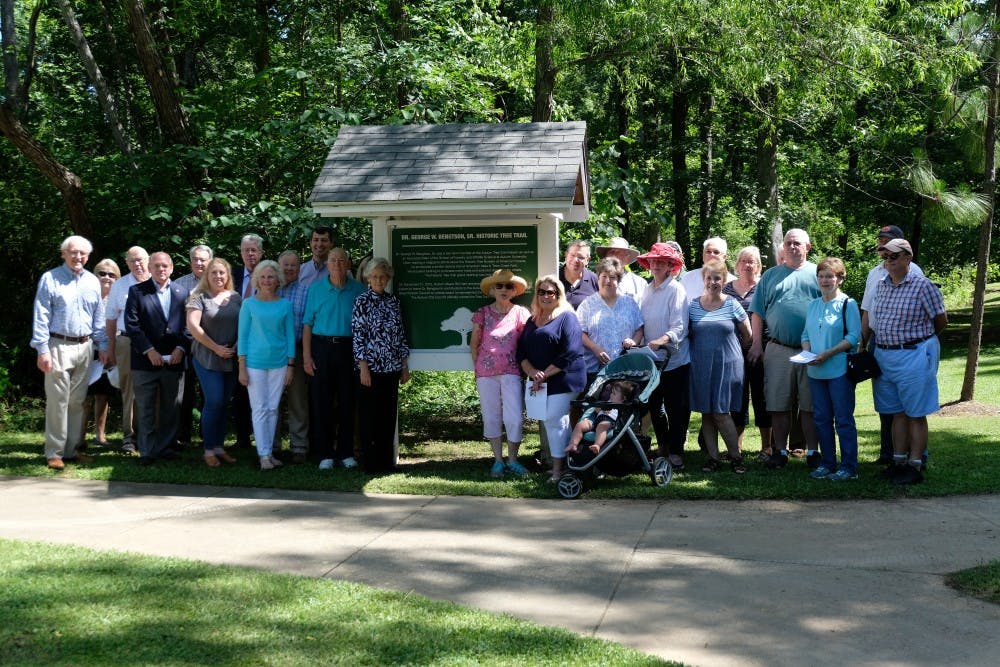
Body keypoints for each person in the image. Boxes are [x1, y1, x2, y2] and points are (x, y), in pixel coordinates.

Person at [866, 238, 947, 486]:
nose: (887, 262)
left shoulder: (924, 287)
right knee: (896, 413)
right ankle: (897, 461)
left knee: (915, 413)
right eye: (885, 258)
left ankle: (915, 465)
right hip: (884, 355)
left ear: (907, 258)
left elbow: (941, 320)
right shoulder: (880, 285)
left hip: (914, 355)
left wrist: (922, 343)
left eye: (893, 257)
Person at [31, 235, 109, 470]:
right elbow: (41, 315)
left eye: (83, 253)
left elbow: (98, 316)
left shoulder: (92, 282)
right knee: (58, 400)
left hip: (85, 346)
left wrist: (102, 345)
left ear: (88, 256)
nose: (78, 257)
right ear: (63, 253)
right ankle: (54, 452)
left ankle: (72, 450)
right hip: (57, 345)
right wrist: (42, 349)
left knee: (77, 400)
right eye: (73, 252)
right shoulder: (50, 278)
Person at [747, 228, 821, 470]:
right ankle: (779, 451)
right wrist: (757, 344)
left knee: (810, 405)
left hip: (811, 351)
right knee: (778, 404)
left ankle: (813, 451)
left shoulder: (819, 274)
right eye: (788, 242)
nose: (792, 247)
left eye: (797, 243)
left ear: (807, 247)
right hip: (778, 349)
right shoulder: (770, 276)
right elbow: (757, 312)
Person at [860, 224, 925, 464]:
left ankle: (916, 456)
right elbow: (867, 310)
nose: (882, 247)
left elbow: (935, 317)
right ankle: (889, 454)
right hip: (879, 342)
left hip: (908, 345)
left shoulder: (915, 272)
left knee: (910, 404)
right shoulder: (874, 273)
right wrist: (863, 342)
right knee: (887, 404)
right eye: (880, 242)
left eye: (887, 242)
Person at [517, 276, 587, 482]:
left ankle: (559, 471)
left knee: (554, 418)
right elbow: (520, 352)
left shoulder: (567, 317)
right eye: (542, 292)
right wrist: (532, 373)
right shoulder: (532, 320)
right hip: (540, 380)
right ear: (536, 295)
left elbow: (571, 351)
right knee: (553, 420)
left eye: (551, 292)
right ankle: (564, 464)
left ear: (558, 295)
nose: (546, 296)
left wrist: (543, 374)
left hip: (565, 378)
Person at [124, 252, 190, 466]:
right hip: (144, 361)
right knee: (146, 408)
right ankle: (147, 451)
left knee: (171, 407)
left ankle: (165, 448)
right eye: (156, 266)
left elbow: (190, 326)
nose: (161, 270)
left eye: (165, 266)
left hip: (175, 361)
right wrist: (149, 350)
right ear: (149, 268)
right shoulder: (136, 291)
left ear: (171, 268)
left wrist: (181, 347)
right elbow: (132, 326)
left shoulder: (182, 292)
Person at [303, 247, 365, 470]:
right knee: (322, 403)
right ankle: (325, 454)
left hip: (350, 349)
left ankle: (346, 452)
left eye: (341, 260)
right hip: (322, 348)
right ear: (327, 264)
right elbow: (307, 324)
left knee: (348, 402)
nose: (337, 264)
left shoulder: (358, 290)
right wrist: (307, 357)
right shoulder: (316, 289)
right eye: (333, 260)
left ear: (348, 264)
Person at [800, 257, 862, 481]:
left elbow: (854, 337)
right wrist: (807, 353)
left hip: (839, 370)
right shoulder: (813, 304)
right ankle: (827, 463)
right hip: (815, 372)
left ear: (840, 279)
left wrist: (828, 353)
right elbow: (806, 334)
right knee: (821, 419)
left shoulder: (848, 304)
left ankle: (849, 467)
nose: (825, 280)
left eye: (830, 276)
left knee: (843, 420)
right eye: (821, 276)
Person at [688, 259, 751, 474]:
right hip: (701, 365)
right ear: (703, 280)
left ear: (723, 280)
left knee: (722, 413)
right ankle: (713, 458)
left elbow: (748, 334)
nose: (713, 282)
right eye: (709, 278)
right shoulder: (693, 306)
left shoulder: (732, 304)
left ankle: (736, 457)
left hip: (728, 364)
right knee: (706, 412)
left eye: (717, 278)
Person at [470, 269, 532, 478]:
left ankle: (513, 460)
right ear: (492, 290)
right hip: (485, 373)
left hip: (513, 371)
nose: (504, 290)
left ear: (514, 291)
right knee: (491, 416)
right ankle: (497, 461)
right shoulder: (482, 313)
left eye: (508, 286)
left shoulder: (521, 313)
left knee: (514, 417)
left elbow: (527, 343)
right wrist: (478, 367)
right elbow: (474, 344)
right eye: (499, 286)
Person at [352, 258, 411, 473]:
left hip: (392, 368)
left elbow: (400, 335)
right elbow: (358, 336)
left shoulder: (393, 301)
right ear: (368, 277)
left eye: (382, 276)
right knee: (369, 417)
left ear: (387, 278)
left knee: (388, 416)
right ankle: (370, 462)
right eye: (375, 276)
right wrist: (363, 367)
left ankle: (386, 462)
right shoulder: (361, 302)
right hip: (370, 369)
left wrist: (404, 365)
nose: (378, 280)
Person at [636, 242, 690, 470]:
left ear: (670, 265)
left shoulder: (676, 290)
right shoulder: (646, 290)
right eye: (653, 261)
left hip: (674, 360)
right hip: (651, 361)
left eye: (661, 261)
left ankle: (677, 451)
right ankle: (664, 445)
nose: (656, 264)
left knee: (675, 408)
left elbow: (680, 327)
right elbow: (642, 323)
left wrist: (662, 340)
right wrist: (637, 340)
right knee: (654, 406)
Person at [238, 260, 295, 471]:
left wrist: (291, 365)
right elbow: (242, 337)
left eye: (270, 276)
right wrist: (241, 366)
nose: (267, 281)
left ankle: (269, 453)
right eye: (262, 277)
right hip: (254, 363)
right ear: (257, 280)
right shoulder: (249, 304)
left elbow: (290, 336)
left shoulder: (285, 305)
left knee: (273, 409)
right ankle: (263, 455)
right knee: (259, 409)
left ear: (277, 279)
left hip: (279, 363)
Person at [186, 258, 241, 468]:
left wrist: (234, 347)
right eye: (214, 273)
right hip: (206, 356)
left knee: (224, 403)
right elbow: (193, 327)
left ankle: (219, 447)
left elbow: (244, 325)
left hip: (231, 356)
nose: (218, 276)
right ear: (206, 276)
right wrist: (216, 348)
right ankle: (208, 449)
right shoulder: (198, 297)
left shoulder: (235, 298)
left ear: (227, 276)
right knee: (214, 401)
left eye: (222, 273)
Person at [723, 246, 771, 456]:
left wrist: (756, 344)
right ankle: (737, 446)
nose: (747, 265)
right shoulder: (726, 289)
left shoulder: (764, 287)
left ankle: (766, 446)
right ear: (737, 264)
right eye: (743, 261)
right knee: (737, 399)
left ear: (759, 265)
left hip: (760, 351)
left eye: (752, 261)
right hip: (733, 352)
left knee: (761, 396)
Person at [104, 246, 150, 454]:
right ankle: (129, 437)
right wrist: (111, 349)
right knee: (129, 391)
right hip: (126, 342)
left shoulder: (158, 282)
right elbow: (111, 320)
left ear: (148, 260)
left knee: (153, 389)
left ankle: (148, 434)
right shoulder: (120, 286)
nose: (137, 264)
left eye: (140, 259)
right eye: (132, 261)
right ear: (127, 264)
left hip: (154, 343)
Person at [577, 257, 642, 382]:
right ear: (598, 278)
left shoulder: (629, 302)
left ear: (618, 280)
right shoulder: (587, 305)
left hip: (625, 369)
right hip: (595, 370)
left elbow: (640, 329)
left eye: (612, 277)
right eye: (604, 276)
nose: (608, 281)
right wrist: (595, 348)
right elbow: (580, 333)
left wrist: (633, 341)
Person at [175, 244, 213, 448]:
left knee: (209, 393)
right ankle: (183, 436)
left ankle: (208, 436)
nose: (199, 263)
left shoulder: (218, 283)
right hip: (186, 346)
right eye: (195, 259)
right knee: (184, 393)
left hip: (211, 346)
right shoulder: (179, 285)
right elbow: (174, 319)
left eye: (203, 259)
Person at [80, 258, 120, 450]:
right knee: (83, 397)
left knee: (103, 395)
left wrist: (111, 349)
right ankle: (78, 437)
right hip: (88, 351)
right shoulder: (85, 296)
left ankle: (100, 435)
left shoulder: (119, 299)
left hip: (110, 354)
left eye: (111, 274)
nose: (106, 277)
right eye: (102, 273)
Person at [231, 234, 265, 450]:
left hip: (260, 343)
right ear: (241, 253)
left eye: (254, 250)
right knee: (239, 391)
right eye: (246, 250)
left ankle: (263, 438)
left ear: (261, 253)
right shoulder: (231, 275)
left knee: (260, 393)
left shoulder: (269, 275)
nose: (250, 254)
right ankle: (242, 437)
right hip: (232, 341)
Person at [277, 250, 310, 463]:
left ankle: (299, 447)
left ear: (300, 269)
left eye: (293, 265)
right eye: (285, 265)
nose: (289, 269)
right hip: (272, 353)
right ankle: (271, 446)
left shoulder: (307, 291)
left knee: (298, 402)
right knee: (272, 402)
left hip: (297, 351)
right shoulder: (268, 289)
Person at [566, 380, 635, 455]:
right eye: (611, 392)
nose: (611, 395)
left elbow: (621, 418)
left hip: (608, 423)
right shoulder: (608, 401)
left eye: (614, 394)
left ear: (624, 398)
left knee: (601, 426)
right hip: (595, 420)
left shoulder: (623, 407)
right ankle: (573, 444)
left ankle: (597, 445)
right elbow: (596, 410)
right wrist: (600, 408)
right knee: (580, 425)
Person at [559, 240, 599, 309]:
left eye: (580, 257)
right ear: (566, 255)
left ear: (587, 260)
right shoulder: (554, 277)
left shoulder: (595, 280)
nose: (575, 260)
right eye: (572, 255)